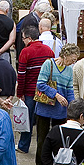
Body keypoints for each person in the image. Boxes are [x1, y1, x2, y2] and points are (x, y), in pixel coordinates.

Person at [35, 44, 80, 165]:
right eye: (72, 59)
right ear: (65, 55)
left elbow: (70, 89)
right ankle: (40, 163)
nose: (73, 62)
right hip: (44, 107)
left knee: (57, 138)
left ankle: (54, 162)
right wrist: (56, 95)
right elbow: (41, 84)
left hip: (60, 110)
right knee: (42, 137)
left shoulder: (69, 70)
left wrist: (72, 105)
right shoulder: (48, 64)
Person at [16, 25, 54, 154]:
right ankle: (43, 149)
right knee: (43, 123)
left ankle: (23, 146)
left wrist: (19, 93)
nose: (23, 41)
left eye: (23, 39)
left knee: (28, 120)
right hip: (44, 92)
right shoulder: (49, 51)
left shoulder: (25, 52)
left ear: (29, 38)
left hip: (29, 92)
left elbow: (21, 75)